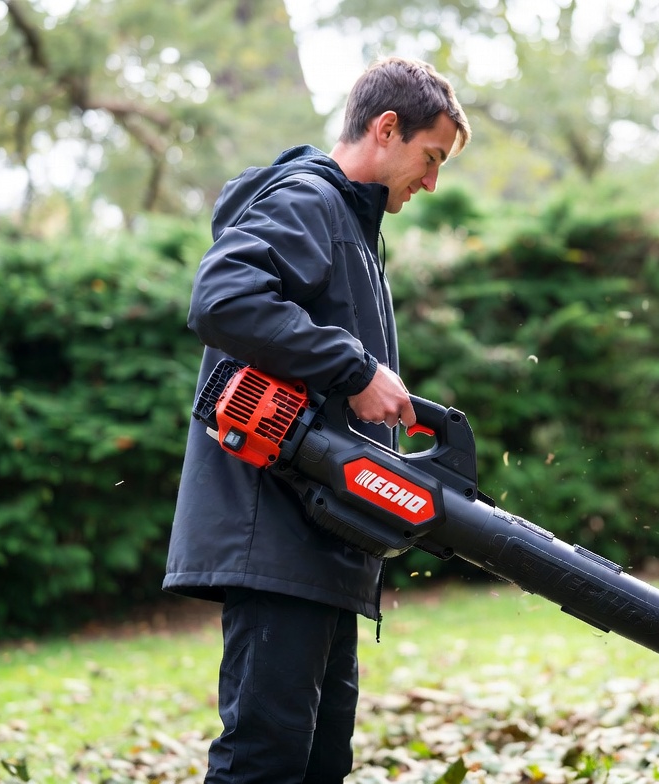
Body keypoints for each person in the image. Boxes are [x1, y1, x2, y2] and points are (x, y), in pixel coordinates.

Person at [163, 57, 472, 783]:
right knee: (264, 761)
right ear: (386, 128)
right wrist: (356, 368)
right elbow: (222, 298)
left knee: (321, 762)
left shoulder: (355, 232)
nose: (431, 183)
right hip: (274, 535)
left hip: (322, 541)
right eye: (430, 158)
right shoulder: (308, 202)